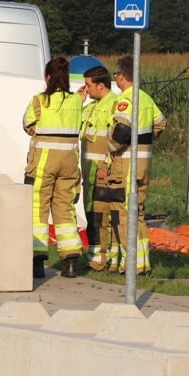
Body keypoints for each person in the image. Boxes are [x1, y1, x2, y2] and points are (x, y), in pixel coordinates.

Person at [24, 57, 85, 278]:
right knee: (65, 207)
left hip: (44, 160)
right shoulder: (77, 101)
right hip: (69, 160)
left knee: (37, 208)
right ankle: (70, 261)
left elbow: (27, 124)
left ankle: (37, 261)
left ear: (48, 77)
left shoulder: (39, 100)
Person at [106, 55, 167, 275]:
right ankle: (142, 263)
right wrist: (146, 141)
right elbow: (161, 123)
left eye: (116, 74)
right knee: (138, 213)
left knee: (125, 214)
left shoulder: (125, 100)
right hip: (144, 162)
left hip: (127, 162)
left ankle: (131, 262)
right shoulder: (146, 98)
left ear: (121, 76)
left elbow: (122, 130)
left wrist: (111, 148)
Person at [79, 65, 119, 271]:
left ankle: (105, 258)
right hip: (89, 173)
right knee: (91, 214)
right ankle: (95, 255)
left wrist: (106, 165)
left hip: (103, 171)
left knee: (103, 216)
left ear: (101, 85)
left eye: (88, 85)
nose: (85, 89)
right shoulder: (90, 107)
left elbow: (117, 140)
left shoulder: (114, 106)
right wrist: (79, 103)